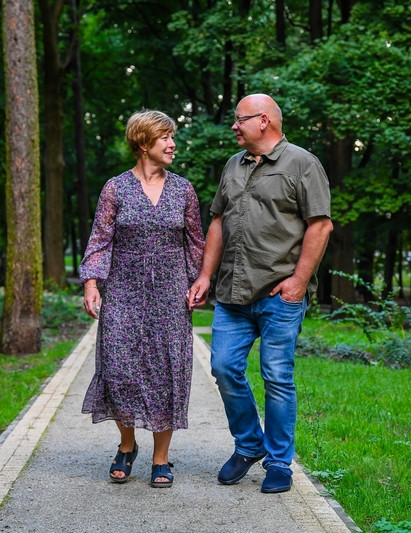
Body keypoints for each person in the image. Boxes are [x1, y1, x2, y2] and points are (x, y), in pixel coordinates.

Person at [188, 94, 333, 494]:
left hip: (278, 293)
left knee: (277, 377)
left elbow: (320, 225)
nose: (234, 126)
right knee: (223, 367)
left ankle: (279, 462)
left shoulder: (302, 163)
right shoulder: (233, 165)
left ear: (264, 120)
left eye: (240, 119)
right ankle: (249, 443)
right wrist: (205, 275)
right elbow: (218, 222)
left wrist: (298, 282)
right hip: (233, 292)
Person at [80, 109, 205, 488]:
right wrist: (91, 283)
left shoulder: (183, 190)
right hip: (123, 290)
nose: (173, 144)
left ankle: (161, 457)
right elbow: (100, 239)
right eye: (165, 137)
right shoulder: (115, 189)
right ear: (143, 143)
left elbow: (195, 242)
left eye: (172, 137)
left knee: (167, 371)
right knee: (119, 369)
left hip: (170, 293)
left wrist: (200, 281)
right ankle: (127, 443)